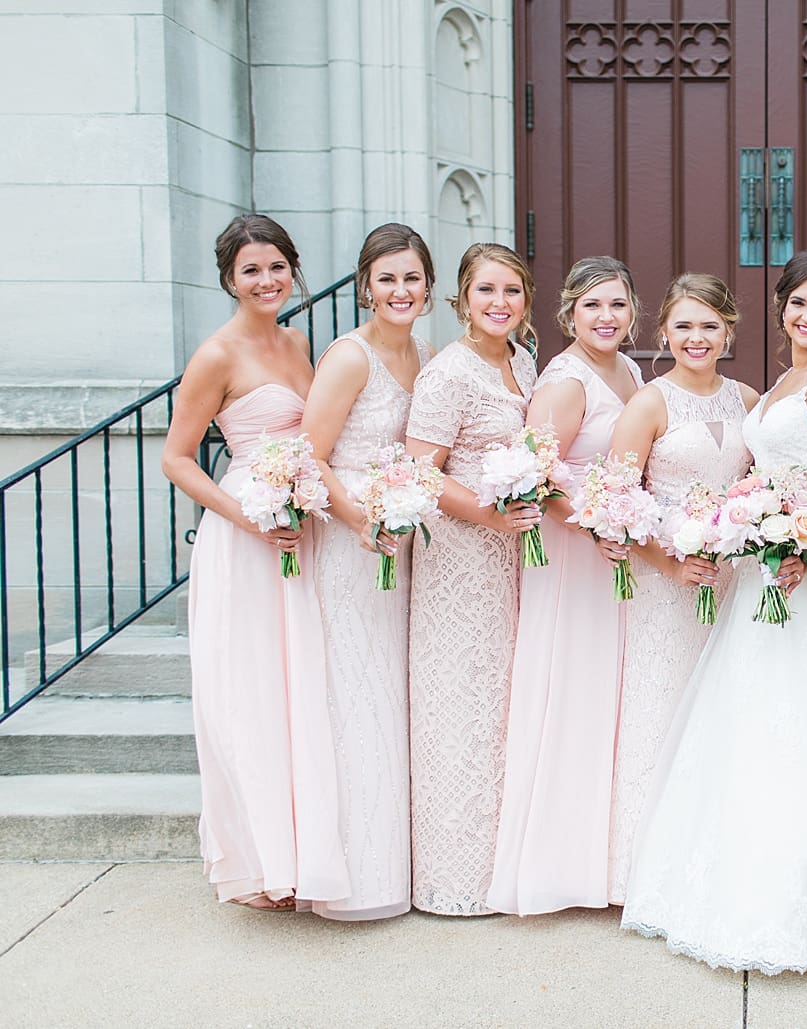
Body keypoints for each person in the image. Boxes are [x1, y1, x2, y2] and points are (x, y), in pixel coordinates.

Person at [622, 251, 807, 975]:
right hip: (764, 575)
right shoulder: (774, 387)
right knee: (752, 733)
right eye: (799, 303)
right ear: (779, 307)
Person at [162, 213, 348, 910]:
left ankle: (303, 851)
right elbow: (176, 457)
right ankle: (261, 858)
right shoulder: (216, 355)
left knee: (298, 685)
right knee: (250, 691)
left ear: (292, 268)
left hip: (296, 525)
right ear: (229, 280)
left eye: (275, 266)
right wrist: (248, 516)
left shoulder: (299, 341)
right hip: (245, 532)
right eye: (250, 270)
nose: (266, 280)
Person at [487, 257, 643, 916]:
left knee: (606, 697)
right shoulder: (566, 380)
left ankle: (603, 855)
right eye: (592, 307)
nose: (606, 317)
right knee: (571, 690)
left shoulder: (629, 371)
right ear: (568, 314)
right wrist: (596, 524)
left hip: (610, 549)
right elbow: (535, 480)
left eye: (616, 304)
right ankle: (556, 862)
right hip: (573, 552)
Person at [606, 273, 757, 904]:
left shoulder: (749, 398)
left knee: (722, 714)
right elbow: (612, 504)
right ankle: (643, 870)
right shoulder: (650, 404)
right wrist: (670, 564)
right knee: (662, 708)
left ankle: (718, 856)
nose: (697, 338)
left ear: (729, 332)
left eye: (710, 326)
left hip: (735, 582)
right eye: (684, 326)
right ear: (663, 332)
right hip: (668, 583)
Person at [301, 223, 436, 920]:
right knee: (357, 696)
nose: (400, 290)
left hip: (404, 541)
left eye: (411, 278)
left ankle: (401, 868)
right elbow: (310, 455)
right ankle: (357, 878)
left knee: (395, 695)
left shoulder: (428, 354)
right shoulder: (348, 357)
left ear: (429, 287)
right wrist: (358, 520)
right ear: (364, 286)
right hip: (353, 543)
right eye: (387, 278)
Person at [404, 243, 542, 915]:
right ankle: (453, 877)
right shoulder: (448, 372)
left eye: (511, 290)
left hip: (512, 555)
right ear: (462, 296)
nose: (499, 302)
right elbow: (421, 471)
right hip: (460, 556)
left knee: (504, 706)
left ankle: (502, 863)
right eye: (486, 289)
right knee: (460, 704)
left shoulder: (522, 361)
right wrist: (489, 516)